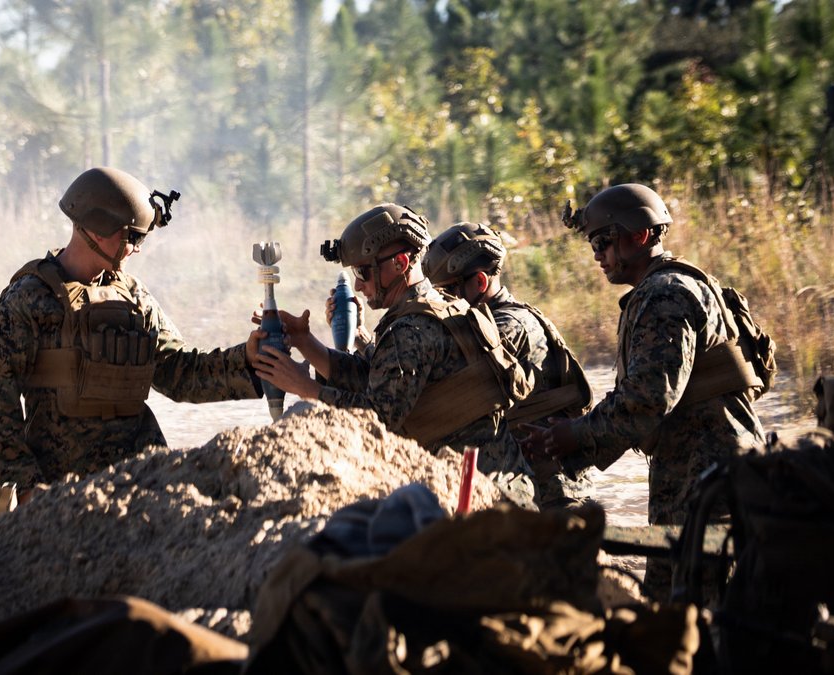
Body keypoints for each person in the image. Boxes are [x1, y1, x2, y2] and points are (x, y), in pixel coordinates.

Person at [524, 183, 766, 598]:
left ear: (638, 236)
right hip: (694, 475)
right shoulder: (667, 289)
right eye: (593, 245)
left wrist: (575, 435)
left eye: (603, 241)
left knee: (703, 617)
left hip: (709, 481)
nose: (597, 255)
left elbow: (649, 398)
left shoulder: (665, 295)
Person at [0, 166, 264, 493]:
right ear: (99, 230)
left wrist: (247, 358)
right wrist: (28, 492)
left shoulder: (133, 296)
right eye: (134, 237)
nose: (138, 248)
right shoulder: (28, 300)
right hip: (63, 492)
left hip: (142, 482)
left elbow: (179, 373)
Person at [252, 203, 537, 508]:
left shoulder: (412, 329)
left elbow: (378, 420)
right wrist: (305, 341)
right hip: (494, 487)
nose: (359, 285)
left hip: (482, 500)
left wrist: (305, 389)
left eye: (363, 271)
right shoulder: (434, 306)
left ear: (400, 263)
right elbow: (369, 375)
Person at [422, 222, 595, 509]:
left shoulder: (509, 327)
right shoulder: (487, 322)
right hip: (527, 487)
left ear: (479, 282)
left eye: (449, 290)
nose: (441, 300)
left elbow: (443, 380)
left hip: (549, 494)